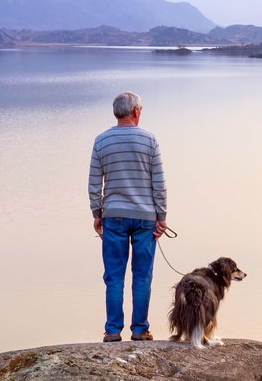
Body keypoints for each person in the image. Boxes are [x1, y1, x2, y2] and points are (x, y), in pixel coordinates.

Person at [89, 91, 168, 343]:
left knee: (114, 276)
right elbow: (160, 184)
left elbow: (93, 183)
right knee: (142, 276)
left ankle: (112, 331)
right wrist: (162, 216)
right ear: (136, 112)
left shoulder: (101, 141)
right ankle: (140, 330)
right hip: (145, 218)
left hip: (114, 217)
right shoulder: (150, 141)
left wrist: (96, 213)